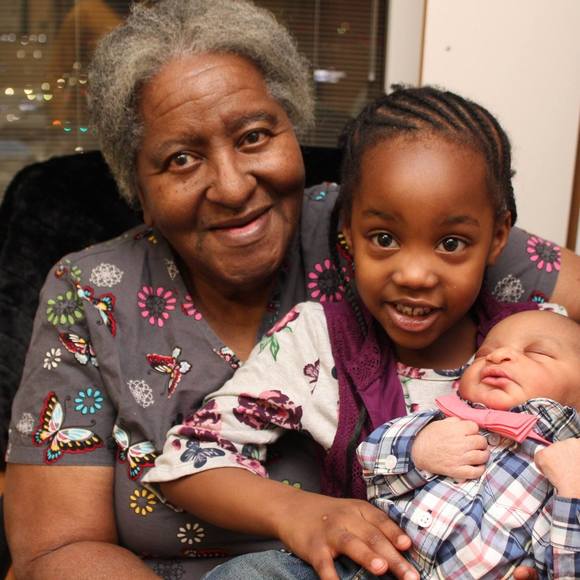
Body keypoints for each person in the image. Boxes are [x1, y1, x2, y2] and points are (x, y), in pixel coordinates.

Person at [3, 0, 579, 578]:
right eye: (181, 159)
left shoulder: (391, 226)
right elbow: (56, 550)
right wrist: (294, 512)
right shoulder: (90, 294)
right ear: (138, 187)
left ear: (292, 130)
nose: (232, 187)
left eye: (254, 136)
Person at [142, 85, 567, 580]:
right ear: (347, 231)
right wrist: (302, 513)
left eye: (451, 243)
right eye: (384, 238)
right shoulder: (318, 342)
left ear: (497, 237)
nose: (414, 275)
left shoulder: (539, 338)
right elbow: (190, 460)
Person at [356, 309, 580, 579]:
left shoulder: (572, 467)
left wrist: (572, 494)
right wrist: (418, 450)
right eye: (483, 354)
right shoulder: (444, 420)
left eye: (537, 353)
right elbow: (369, 465)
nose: (497, 356)